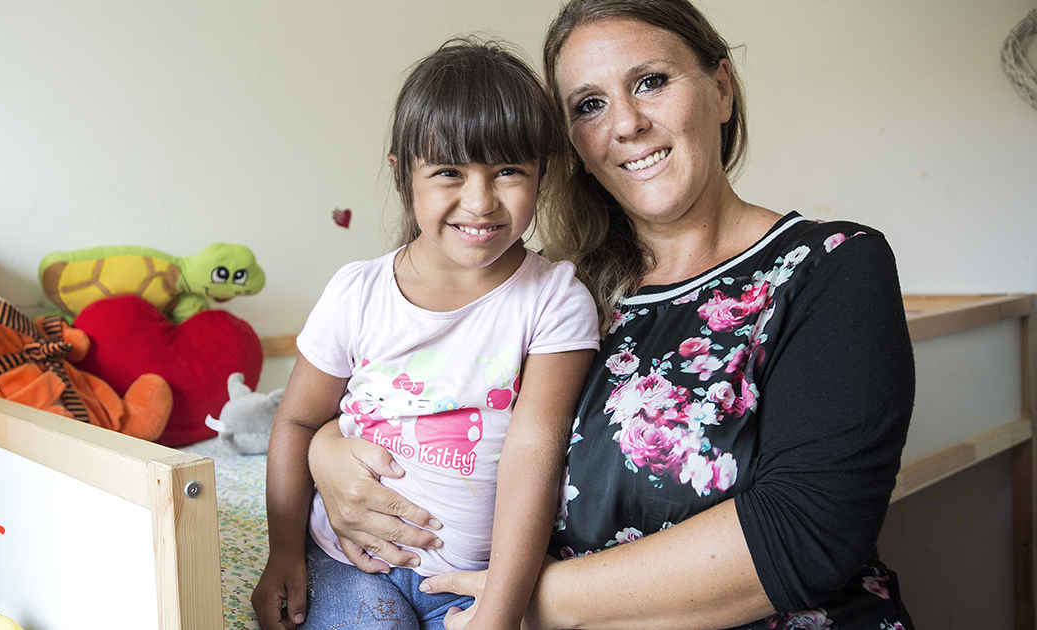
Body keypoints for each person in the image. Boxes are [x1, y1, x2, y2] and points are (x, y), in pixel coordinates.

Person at [306, 1, 917, 629]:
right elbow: (412, 396)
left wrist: (517, 603)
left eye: (651, 81)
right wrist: (326, 451)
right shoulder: (560, 295)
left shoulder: (832, 267)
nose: (626, 123)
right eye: (589, 105)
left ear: (722, 88)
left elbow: (804, 534)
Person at [252, 38, 600, 630]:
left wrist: (500, 608)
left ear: (543, 172)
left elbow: (535, 451)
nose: (481, 201)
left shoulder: (555, 300)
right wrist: (283, 552)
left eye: (509, 171)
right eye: (448, 172)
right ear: (403, 172)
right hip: (348, 561)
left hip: (474, 580)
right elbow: (297, 421)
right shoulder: (357, 292)